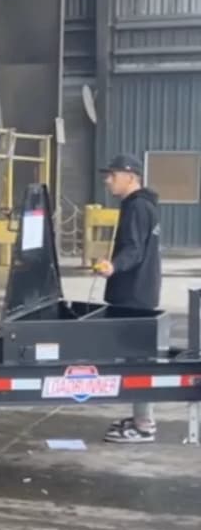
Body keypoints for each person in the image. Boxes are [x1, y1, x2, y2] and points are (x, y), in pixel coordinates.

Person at [94, 153, 162, 445]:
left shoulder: (136, 208)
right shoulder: (145, 206)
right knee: (137, 357)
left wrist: (113, 266)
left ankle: (144, 425)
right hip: (142, 291)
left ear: (130, 176)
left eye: (113, 174)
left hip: (133, 293)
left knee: (137, 360)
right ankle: (140, 418)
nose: (108, 180)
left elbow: (134, 249)